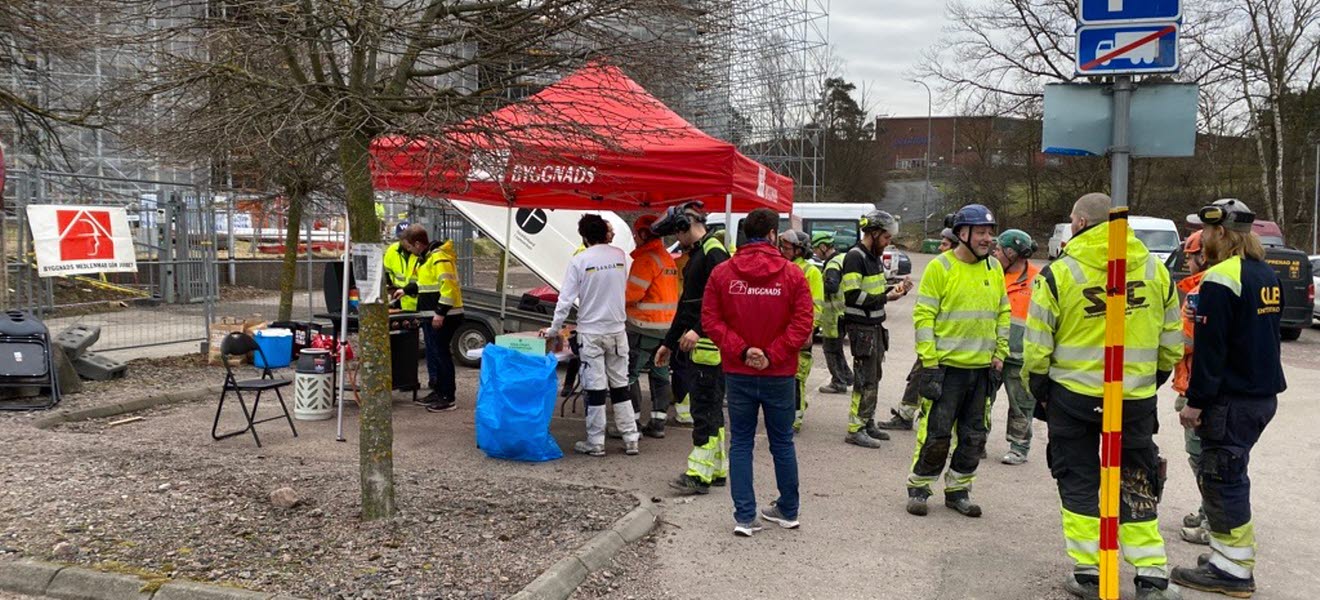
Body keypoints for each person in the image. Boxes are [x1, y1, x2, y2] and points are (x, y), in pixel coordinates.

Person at [1023, 192, 1183, 600]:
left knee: (1077, 478)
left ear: (1078, 223)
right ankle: (1151, 576)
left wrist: (1039, 390)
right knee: (1135, 478)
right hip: (1134, 397)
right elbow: (1171, 341)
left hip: (1072, 397)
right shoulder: (1154, 269)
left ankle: (1089, 571)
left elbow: (1036, 347)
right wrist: (1150, 379)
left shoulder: (1059, 274)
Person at [1171, 199, 1286, 598]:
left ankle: (1234, 572)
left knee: (1223, 481)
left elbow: (1211, 350)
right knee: (1229, 476)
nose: (1200, 239)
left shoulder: (1220, 278)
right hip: (1260, 396)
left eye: (1203, 231)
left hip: (1230, 400)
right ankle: (1223, 557)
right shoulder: (1265, 274)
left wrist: (1196, 402)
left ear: (1220, 232)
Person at [702, 208, 815, 537]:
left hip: (738, 372)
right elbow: (803, 323)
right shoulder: (793, 274)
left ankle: (745, 516)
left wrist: (741, 350)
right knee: (782, 442)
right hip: (779, 374)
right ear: (771, 236)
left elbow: (710, 320)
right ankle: (789, 511)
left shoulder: (723, 273)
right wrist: (771, 355)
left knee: (741, 443)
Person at [905, 204, 1009, 518]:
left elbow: (1003, 312)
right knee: (936, 435)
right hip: (946, 369)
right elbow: (924, 316)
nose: (988, 238)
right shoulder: (940, 267)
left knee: (974, 436)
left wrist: (1000, 353)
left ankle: (958, 491)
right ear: (962, 234)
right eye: (981, 232)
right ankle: (920, 489)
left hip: (982, 370)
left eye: (990, 233)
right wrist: (930, 362)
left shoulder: (994, 268)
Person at [543, 215, 640, 457]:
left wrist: (554, 329)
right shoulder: (620, 256)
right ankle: (631, 438)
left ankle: (596, 441)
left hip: (591, 333)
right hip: (617, 330)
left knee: (595, 388)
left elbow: (565, 301)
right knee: (620, 385)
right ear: (606, 233)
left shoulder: (580, 260)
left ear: (584, 237)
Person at [653, 201, 731, 494]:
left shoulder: (713, 253)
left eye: (677, 232)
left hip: (710, 348)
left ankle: (698, 474)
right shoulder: (700, 253)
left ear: (686, 226)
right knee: (710, 409)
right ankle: (716, 468)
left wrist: (699, 330)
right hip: (704, 347)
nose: (677, 239)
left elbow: (725, 301)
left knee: (704, 410)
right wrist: (668, 344)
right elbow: (688, 305)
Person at [840, 209, 912, 448]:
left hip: (874, 326)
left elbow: (874, 291)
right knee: (864, 379)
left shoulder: (873, 256)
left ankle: (867, 421)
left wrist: (896, 290)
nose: (888, 242)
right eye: (886, 237)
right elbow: (852, 295)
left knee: (874, 377)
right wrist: (885, 297)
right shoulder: (855, 257)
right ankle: (856, 427)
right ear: (873, 233)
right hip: (861, 328)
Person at [878, 225, 961, 431]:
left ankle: (963, 432)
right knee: (917, 375)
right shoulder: (940, 267)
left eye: (944, 244)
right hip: (933, 339)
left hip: (948, 341)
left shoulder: (957, 272)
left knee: (941, 383)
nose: (940, 247)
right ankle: (905, 415)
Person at [1171, 230, 1211, 545]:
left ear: (1204, 254)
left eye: (1190, 253)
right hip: (1197, 384)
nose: (1186, 260)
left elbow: (1188, 341)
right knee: (1201, 454)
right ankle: (1208, 509)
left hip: (1199, 387)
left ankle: (1213, 519)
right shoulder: (1206, 287)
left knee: (1203, 456)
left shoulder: (1204, 291)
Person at [624, 214, 679, 439]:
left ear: (644, 234)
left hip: (643, 326)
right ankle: (657, 423)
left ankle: (632, 421)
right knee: (660, 374)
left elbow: (631, 294)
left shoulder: (646, 260)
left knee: (630, 374)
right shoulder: (666, 258)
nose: (635, 238)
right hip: (666, 329)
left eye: (636, 234)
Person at [994, 228, 1040, 466]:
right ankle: (975, 441)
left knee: (1021, 404)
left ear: (1012, 253)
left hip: (1020, 356)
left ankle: (1019, 447)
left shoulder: (1037, 280)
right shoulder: (992, 274)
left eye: (999, 249)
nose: (995, 253)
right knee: (980, 401)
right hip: (992, 353)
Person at [407, 225, 464, 412]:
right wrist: (405, 290)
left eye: (410, 247)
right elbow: (426, 286)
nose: (410, 251)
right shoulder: (427, 259)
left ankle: (448, 396)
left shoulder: (438, 257)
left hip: (445, 315)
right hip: (433, 314)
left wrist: (440, 312)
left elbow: (448, 287)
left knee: (441, 354)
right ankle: (439, 391)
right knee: (436, 353)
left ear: (417, 244)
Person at [777, 230, 824, 432]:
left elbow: (816, 305)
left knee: (797, 378)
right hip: (782, 333)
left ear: (799, 249)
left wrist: (808, 331)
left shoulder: (810, 272)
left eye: (787, 248)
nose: (783, 251)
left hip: (799, 334)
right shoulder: (783, 268)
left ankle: (794, 419)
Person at [815, 231, 852, 395]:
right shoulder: (842, 258)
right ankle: (847, 377)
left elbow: (831, 286)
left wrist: (815, 287)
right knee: (837, 348)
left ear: (823, 246)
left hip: (834, 314)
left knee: (830, 349)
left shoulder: (831, 266)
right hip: (844, 312)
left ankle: (838, 382)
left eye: (816, 249)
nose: (815, 253)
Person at [384, 221, 419, 312]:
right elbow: (386, 273)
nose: (406, 241)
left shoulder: (420, 251)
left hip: (419, 302)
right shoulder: (392, 251)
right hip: (399, 300)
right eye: (403, 238)